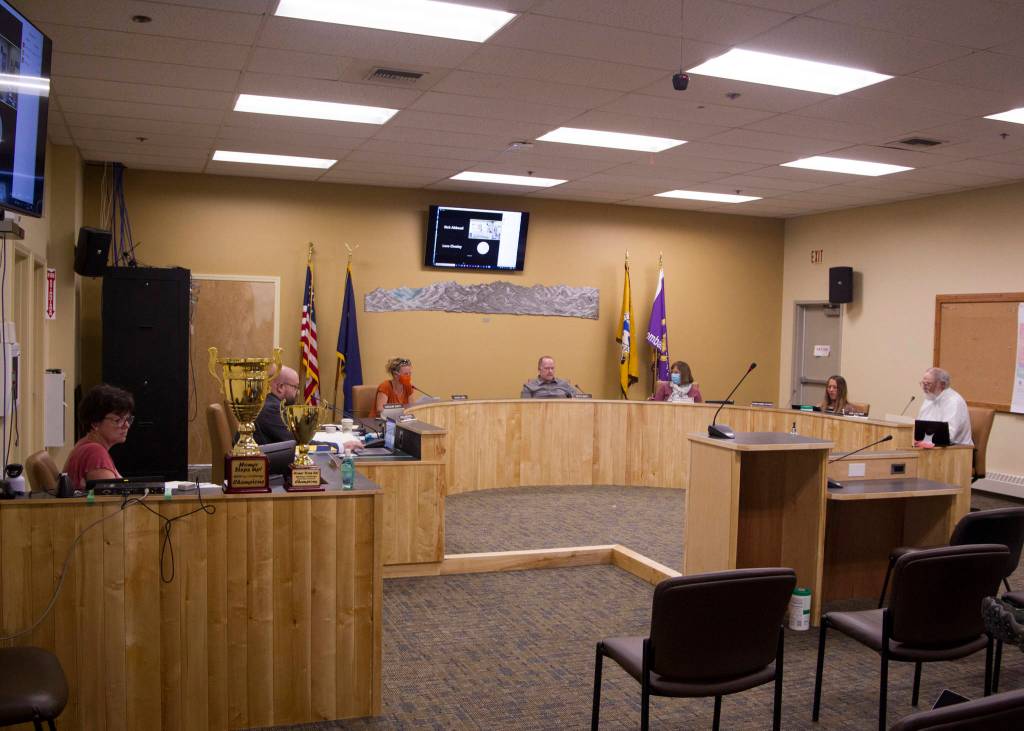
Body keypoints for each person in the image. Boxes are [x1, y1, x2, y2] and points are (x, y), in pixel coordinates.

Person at [64, 384, 134, 490]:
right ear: (95, 423)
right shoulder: (95, 453)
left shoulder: (84, 444)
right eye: (118, 420)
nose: (126, 425)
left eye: (127, 419)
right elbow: (111, 498)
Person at [917, 366, 973, 445]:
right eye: (923, 383)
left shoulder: (954, 401)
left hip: (957, 448)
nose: (924, 387)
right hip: (932, 445)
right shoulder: (930, 398)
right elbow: (919, 427)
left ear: (942, 384)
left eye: (928, 384)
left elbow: (949, 435)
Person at [253, 365, 300, 445]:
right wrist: (323, 444)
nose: (297, 392)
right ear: (280, 387)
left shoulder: (269, 403)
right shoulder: (272, 409)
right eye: (295, 387)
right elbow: (296, 440)